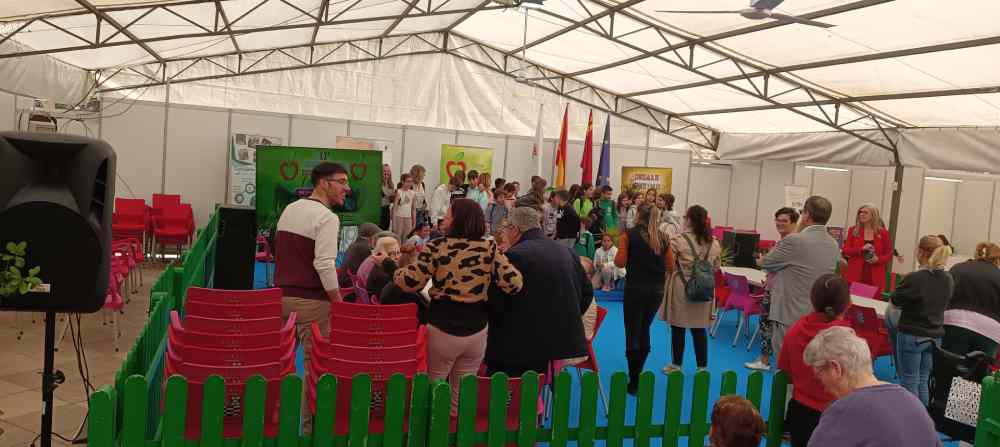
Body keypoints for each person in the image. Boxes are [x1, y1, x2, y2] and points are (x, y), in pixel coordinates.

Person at [393, 198, 523, 409]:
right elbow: (514, 283)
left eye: (448, 215)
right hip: (477, 330)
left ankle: (431, 427)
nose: (443, 218)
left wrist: (393, 269)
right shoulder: (489, 248)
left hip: (442, 328)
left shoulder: (436, 247)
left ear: (458, 220)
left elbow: (410, 282)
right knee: (460, 397)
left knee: (433, 389)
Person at [273, 162, 349, 430]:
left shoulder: (290, 209)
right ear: (323, 183)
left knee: (278, 365)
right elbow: (325, 265)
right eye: (341, 182)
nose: (347, 188)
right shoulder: (328, 218)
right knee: (315, 370)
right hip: (314, 304)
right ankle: (307, 431)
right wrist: (338, 301)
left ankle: (273, 425)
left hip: (281, 299)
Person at [486, 206, 592, 377]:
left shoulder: (514, 255)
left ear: (514, 229)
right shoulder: (567, 252)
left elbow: (497, 301)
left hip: (517, 344)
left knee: (506, 388)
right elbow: (587, 293)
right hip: (558, 340)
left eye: (506, 229)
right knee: (533, 388)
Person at [804, 326, 942, 447]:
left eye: (820, 374)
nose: (823, 385)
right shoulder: (913, 402)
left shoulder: (843, 411)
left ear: (835, 368)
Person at [760, 196, 841, 357]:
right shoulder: (833, 244)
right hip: (815, 312)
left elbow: (766, 263)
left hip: (789, 312)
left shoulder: (795, 239)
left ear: (807, 215)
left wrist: (798, 230)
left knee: (785, 360)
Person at [777, 274, 851, 447]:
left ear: (812, 299)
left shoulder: (796, 329)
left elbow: (785, 371)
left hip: (799, 410)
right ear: (848, 304)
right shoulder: (846, 337)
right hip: (834, 412)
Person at [885, 234, 954, 405]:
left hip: (912, 333)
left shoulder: (915, 277)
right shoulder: (948, 278)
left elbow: (894, 302)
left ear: (921, 252)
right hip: (934, 336)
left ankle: (910, 417)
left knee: (909, 380)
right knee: (923, 380)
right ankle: (922, 416)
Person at [614, 204, 669, 394]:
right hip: (656, 291)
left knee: (633, 332)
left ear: (637, 215)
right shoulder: (664, 237)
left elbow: (619, 262)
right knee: (644, 328)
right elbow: (671, 265)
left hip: (635, 289)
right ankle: (638, 372)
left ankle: (634, 379)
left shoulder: (628, 235)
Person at [662, 205, 721, 374]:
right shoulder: (714, 242)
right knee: (699, 328)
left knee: (678, 327)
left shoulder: (678, 240)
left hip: (682, 286)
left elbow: (669, 264)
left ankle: (676, 365)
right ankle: (702, 367)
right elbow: (716, 267)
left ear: (689, 219)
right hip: (704, 287)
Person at [745, 206, 800, 371]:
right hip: (772, 288)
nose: (780, 223)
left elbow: (768, 263)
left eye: (784, 221)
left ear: (794, 223)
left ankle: (773, 362)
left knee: (773, 326)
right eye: (778, 220)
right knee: (766, 325)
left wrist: (763, 262)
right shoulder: (782, 242)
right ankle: (765, 360)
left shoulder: (790, 243)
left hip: (782, 293)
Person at [945, 241, 1000, 359]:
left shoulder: (957, 268)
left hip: (954, 322)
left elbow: (945, 295)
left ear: (976, 253)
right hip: (989, 331)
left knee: (949, 365)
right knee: (979, 368)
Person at [842, 204, 893, 296]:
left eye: (865, 212)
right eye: (860, 212)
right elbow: (845, 250)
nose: (861, 214)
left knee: (872, 302)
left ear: (873, 215)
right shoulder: (853, 230)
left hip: (875, 275)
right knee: (855, 301)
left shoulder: (883, 233)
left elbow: (889, 254)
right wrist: (861, 249)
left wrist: (878, 259)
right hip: (856, 273)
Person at [379, 244, 428, 325]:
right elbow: (426, 312)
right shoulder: (408, 290)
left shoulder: (392, 283)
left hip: (389, 323)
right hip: (406, 326)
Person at [339, 222, 382, 288]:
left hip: (344, 281)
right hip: (350, 285)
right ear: (372, 237)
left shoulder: (355, 245)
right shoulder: (366, 248)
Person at [391, 173, 416, 239]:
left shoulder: (413, 193)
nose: (409, 184)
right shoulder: (399, 192)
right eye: (408, 181)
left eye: (411, 182)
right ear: (402, 182)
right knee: (398, 237)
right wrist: (394, 224)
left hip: (408, 218)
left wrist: (414, 222)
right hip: (399, 217)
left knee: (407, 237)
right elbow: (394, 209)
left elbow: (413, 209)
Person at [380, 163, 395, 230]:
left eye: (388, 171)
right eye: (384, 171)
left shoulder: (391, 184)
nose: (386, 173)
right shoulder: (379, 183)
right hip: (380, 210)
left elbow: (391, 198)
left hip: (387, 209)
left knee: (386, 229)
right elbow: (386, 193)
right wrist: (393, 193)